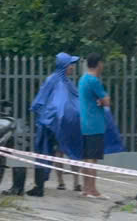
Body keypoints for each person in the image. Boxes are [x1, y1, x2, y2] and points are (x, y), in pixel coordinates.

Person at [14, 52, 80, 197]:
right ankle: (39, 186)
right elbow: (41, 100)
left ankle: (41, 186)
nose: (73, 67)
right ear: (64, 65)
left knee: (57, 152)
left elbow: (74, 101)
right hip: (48, 124)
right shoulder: (53, 80)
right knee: (44, 153)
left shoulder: (66, 83)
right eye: (70, 64)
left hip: (60, 125)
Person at [78, 53, 110, 199]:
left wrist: (99, 101)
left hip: (85, 122)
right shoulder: (94, 81)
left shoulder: (83, 79)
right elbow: (107, 100)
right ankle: (92, 189)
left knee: (86, 157)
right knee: (93, 158)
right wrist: (102, 100)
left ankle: (86, 188)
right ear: (98, 64)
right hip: (95, 123)